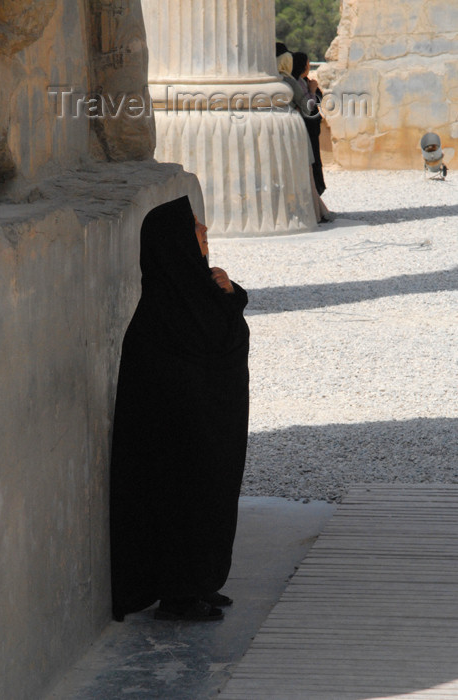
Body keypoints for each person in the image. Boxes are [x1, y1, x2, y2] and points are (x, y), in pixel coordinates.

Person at [110, 196, 250, 622]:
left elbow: (224, 338)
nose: (204, 232)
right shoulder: (162, 312)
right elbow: (210, 349)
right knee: (179, 505)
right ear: (173, 241)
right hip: (179, 439)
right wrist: (229, 302)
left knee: (209, 501)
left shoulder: (193, 288)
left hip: (207, 429)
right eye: (195, 227)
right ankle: (178, 596)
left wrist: (232, 294)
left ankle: (200, 582)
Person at [277, 51, 334, 223]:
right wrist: (312, 91)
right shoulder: (291, 83)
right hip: (303, 130)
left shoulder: (294, 81)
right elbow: (307, 105)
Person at [291, 51, 326, 196]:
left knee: (316, 162)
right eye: (307, 63)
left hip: (312, 128)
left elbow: (319, 98)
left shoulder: (304, 81)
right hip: (306, 128)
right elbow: (307, 106)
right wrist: (311, 90)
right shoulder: (296, 83)